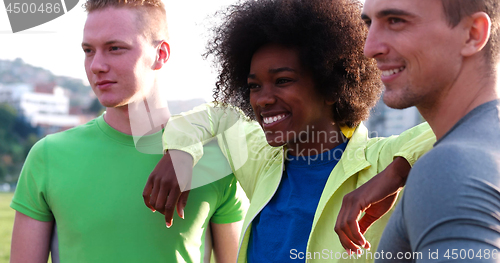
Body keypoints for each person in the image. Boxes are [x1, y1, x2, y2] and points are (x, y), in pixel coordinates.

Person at [144, 0, 436, 262]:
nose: (262, 99)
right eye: (254, 86)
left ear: (331, 86)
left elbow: (467, 124)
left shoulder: (379, 162)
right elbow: (218, 114)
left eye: (282, 81)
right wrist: (181, 151)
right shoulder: (260, 158)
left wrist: (396, 173)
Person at [9, 0, 247, 262]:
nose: (96, 65)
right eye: (89, 50)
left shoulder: (216, 161)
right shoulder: (48, 156)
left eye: (115, 48)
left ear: (161, 54)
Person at [335, 0, 500, 261]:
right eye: (369, 23)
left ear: (473, 34)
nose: (369, 48)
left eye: (396, 21)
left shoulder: (451, 168)